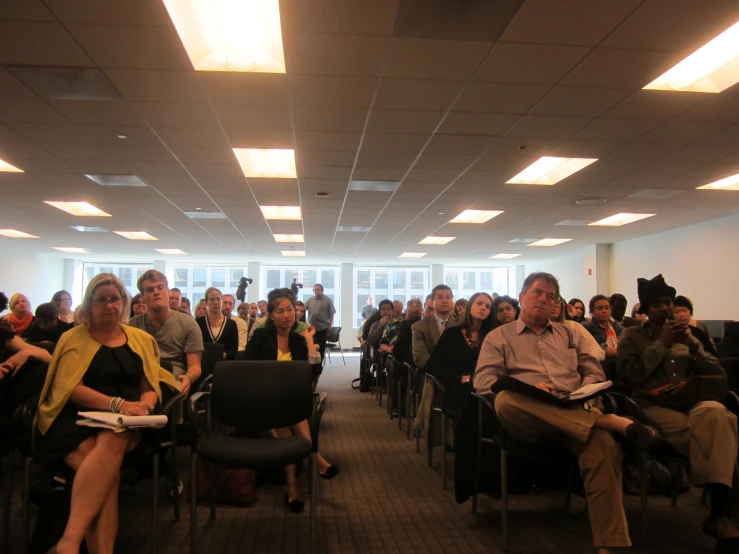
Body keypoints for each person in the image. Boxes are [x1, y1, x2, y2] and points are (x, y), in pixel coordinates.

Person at [474, 272, 659, 554]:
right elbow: (484, 383)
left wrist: (581, 393)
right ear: (522, 297)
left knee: (604, 445)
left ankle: (611, 544)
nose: (544, 300)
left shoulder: (570, 333)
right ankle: (606, 421)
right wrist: (530, 388)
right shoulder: (498, 337)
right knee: (506, 399)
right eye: (537, 293)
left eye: (551, 297)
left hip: (575, 410)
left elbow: (593, 372)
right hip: (529, 418)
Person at [36, 273, 179, 554]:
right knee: (107, 474)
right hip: (74, 420)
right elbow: (70, 389)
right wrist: (118, 404)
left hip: (126, 422)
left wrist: (144, 406)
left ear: (124, 302)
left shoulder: (139, 339)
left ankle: (68, 541)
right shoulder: (73, 338)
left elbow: (150, 386)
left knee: (113, 438)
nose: (110, 305)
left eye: (115, 299)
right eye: (102, 300)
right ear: (89, 304)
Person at [617, 274, 739, 550]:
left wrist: (694, 345)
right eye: (657, 303)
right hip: (652, 404)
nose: (664, 308)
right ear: (646, 309)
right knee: (720, 437)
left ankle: (719, 513)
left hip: (691, 401)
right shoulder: (632, 336)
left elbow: (718, 373)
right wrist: (661, 343)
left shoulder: (692, 334)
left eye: (668, 302)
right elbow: (630, 376)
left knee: (718, 415)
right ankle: (722, 514)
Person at [245, 288, 338, 512]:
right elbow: (247, 368)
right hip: (261, 397)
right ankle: (315, 457)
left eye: (290, 310)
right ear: (271, 315)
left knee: (287, 422)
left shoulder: (298, 340)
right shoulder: (261, 336)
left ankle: (292, 487)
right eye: (280, 311)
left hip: (289, 402)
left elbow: (315, 371)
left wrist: (308, 341)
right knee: (290, 412)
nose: (287, 315)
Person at [129, 270, 202, 393]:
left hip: (173, 380)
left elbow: (195, 366)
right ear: (142, 298)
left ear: (168, 292)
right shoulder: (131, 326)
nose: (156, 292)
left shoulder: (188, 323)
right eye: (150, 290)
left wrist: (188, 378)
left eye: (160, 288)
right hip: (140, 378)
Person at [426, 292, 495, 418]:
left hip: (487, 386)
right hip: (459, 387)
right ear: (470, 307)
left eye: (487, 306)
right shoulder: (452, 334)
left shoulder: (494, 336)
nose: (483, 308)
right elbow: (432, 366)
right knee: (475, 404)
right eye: (479, 303)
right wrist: (460, 378)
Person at [412, 285, 458, 371]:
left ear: (452, 301)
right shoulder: (419, 326)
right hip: (431, 374)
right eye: (440, 297)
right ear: (432, 302)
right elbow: (420, 358)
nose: (444, 300)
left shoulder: (460, 323)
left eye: (448, 297)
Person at [552, 296, 604, 361]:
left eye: (557, 302)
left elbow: (598, 351)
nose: (554, 305)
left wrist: (578, 360)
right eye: (576, 308)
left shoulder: (574, 326)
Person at [195, 287, 239, 361]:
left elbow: (233, 348)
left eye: (218, 299)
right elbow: (195, 345)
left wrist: (225, 354)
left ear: (221, 301)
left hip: (224, 364)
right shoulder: (198, 322)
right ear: (206, 302)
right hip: (203, 361)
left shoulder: (231, 324)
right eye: (212, 299)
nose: (215, 302)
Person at [304, 284, 335, 361]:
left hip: (322, 327)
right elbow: (303, 309)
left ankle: (320, 362)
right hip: (311, 328)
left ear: (322, 290)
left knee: (321, 346)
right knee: (310, 345)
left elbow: (331, 314)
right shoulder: (310, 300)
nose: (316, 291)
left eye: (318, 289)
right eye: (315, 290)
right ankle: (311, 361)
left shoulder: (328, 300)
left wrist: (330, 325)